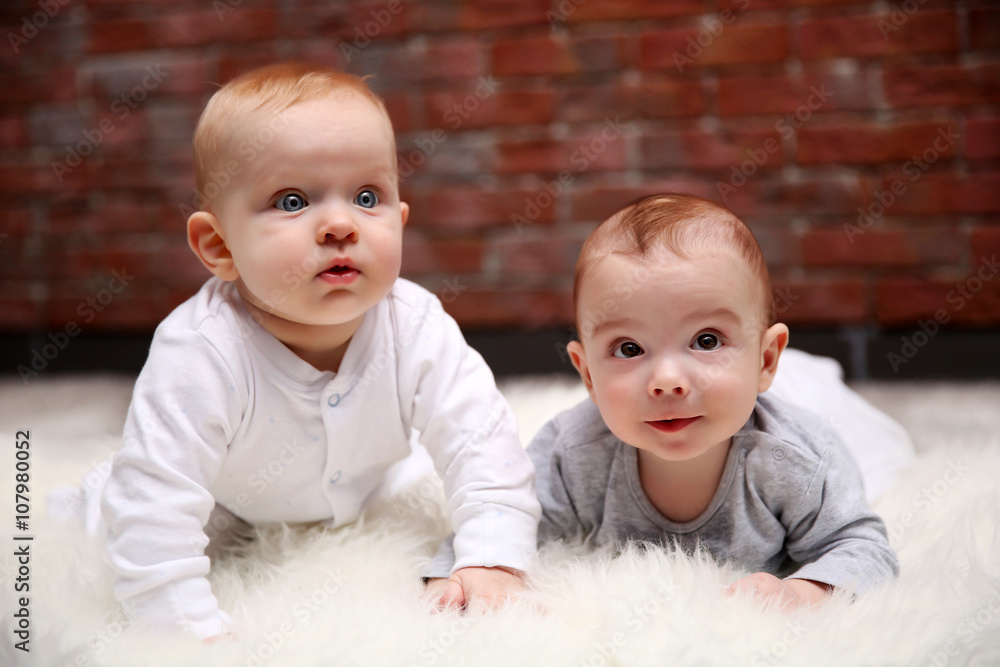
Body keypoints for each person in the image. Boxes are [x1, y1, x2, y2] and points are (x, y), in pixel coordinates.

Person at [47, 63, 540, 639]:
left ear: (400, 222)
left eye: (366, 196)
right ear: (218, 245)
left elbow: (485, 448)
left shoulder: (416, 324)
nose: (339, 225)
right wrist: (186, 630)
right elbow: (156, 510)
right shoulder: (201, 350)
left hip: (364, 483)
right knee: (113, 512)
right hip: (224, 496)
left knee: (424, 477)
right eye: (291, 201)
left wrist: (492, 558)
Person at [428, 193, 901, 609]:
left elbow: (863, 547)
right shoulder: (572, 452)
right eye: (629, 349)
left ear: (765, 359)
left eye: (707, 340)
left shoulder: (796, 458)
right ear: (588, 374)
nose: (668, 381)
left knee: (886, 456)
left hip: (798, 400)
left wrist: (802, 594)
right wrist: (464, 573)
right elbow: (499, 517)